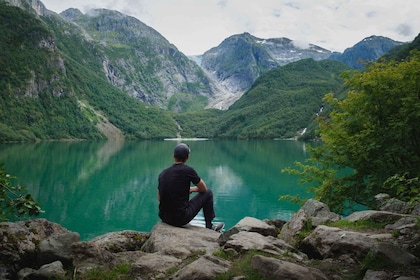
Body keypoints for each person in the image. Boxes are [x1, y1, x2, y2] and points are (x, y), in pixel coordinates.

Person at [158, 143, 224, 232]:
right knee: (208, 193)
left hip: (164, 217)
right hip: (180, 219)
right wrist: (193, 189)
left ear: (174, 156)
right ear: (187, 157)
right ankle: (210, 226)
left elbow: (159, 197)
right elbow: (203, 188)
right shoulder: (188, 170)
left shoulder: (163, 173)